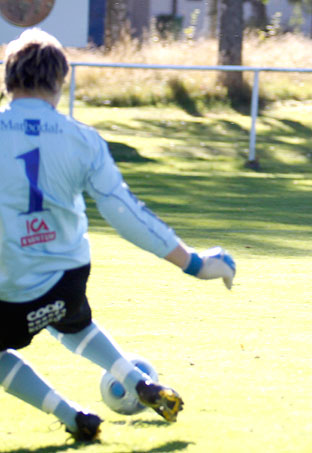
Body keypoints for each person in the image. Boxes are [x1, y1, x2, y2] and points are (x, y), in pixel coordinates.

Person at [0, 29, 236, 442]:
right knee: (67, 319)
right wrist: (194, 263)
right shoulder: (83, 139)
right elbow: (126, 214)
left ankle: (73, 416)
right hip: (67, 279)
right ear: (60, 82)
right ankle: (135, 379)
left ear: (6, 80)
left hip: (10, 288)